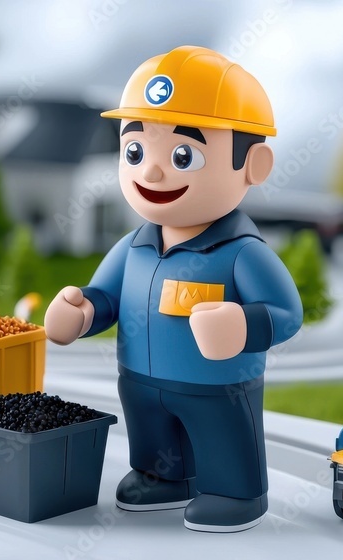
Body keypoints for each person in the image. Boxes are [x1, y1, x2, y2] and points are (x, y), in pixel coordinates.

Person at [44, 46, 303, 533]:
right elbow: (106, 297)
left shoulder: (242, 252)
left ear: (255, 165)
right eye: (135, 151)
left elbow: (286, 313)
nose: (152, 172)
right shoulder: (134, 246)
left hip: (218, 386)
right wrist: (81, 313)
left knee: (223, 435)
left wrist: (243, 324)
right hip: (139, 380)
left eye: (184, 155)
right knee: (151, 433)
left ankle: (236, 492)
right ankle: (163, 478)